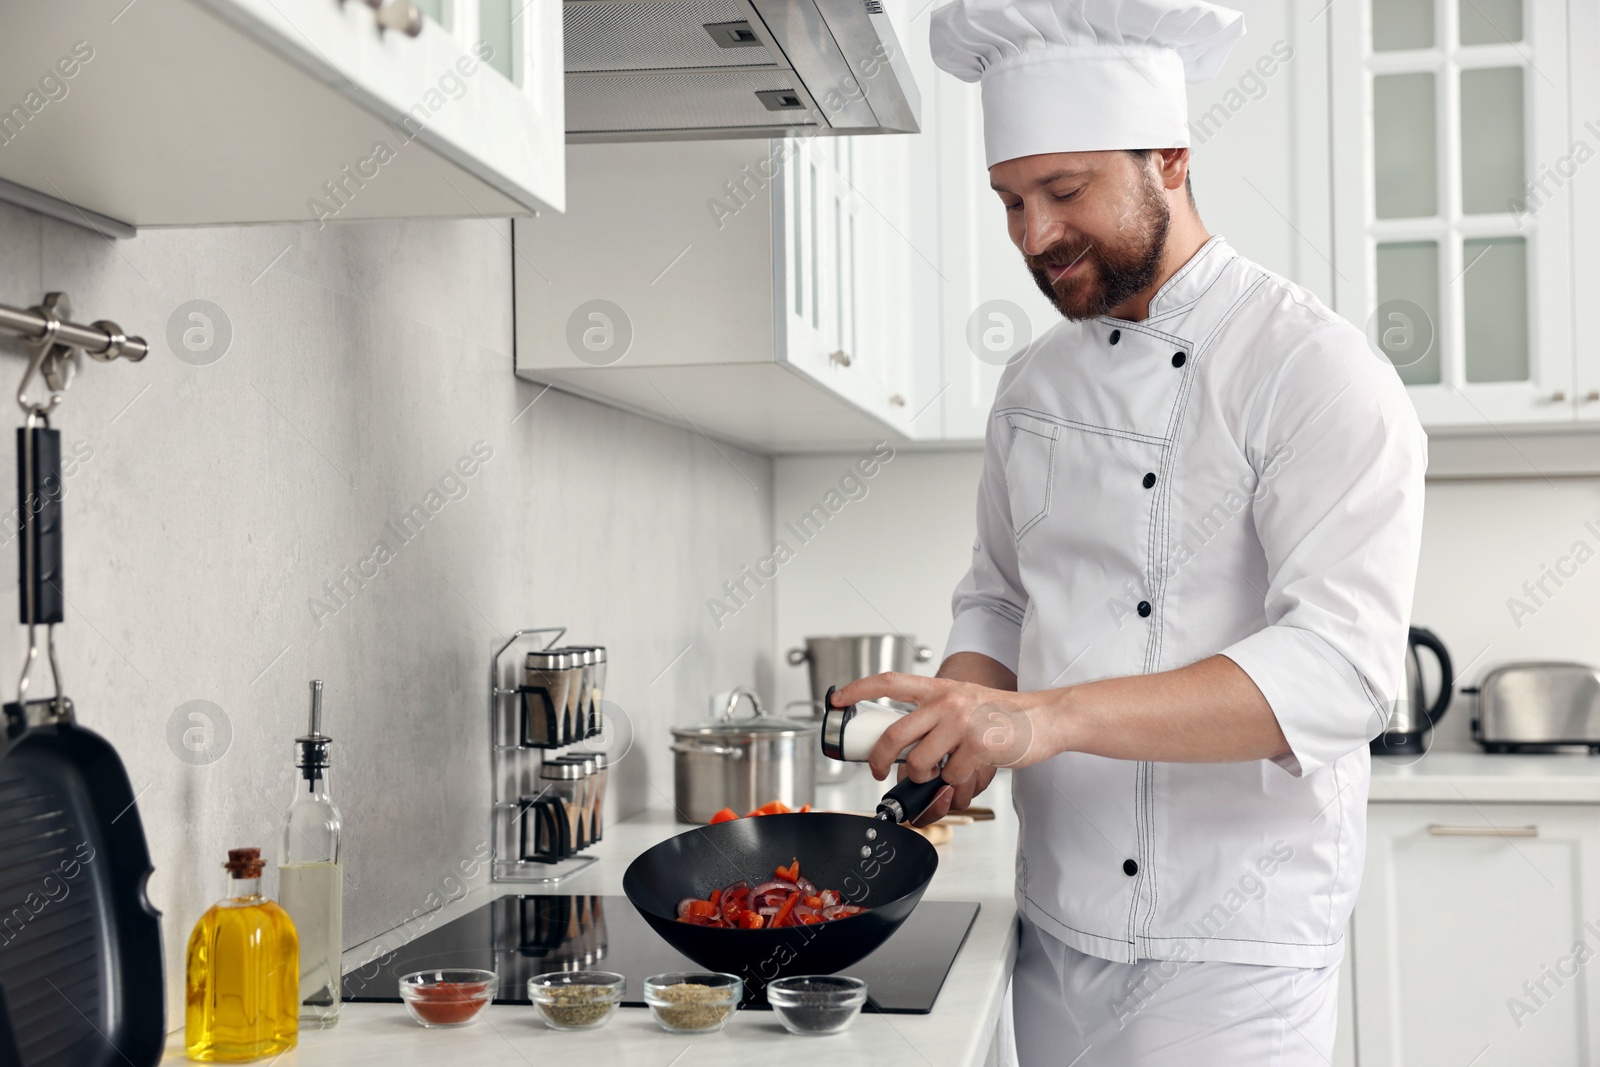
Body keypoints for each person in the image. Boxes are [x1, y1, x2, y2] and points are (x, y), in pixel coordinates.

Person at [827, 0, 1427, 1062]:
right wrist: (962, 723)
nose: (1034, 236)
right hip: (1055, 912)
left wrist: (1040, 719)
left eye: (1065, 192)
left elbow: (1340, 673)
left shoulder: (1312, 371)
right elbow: (1001, 594)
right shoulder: (1031, 384)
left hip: (1233, 943)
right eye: (1010, 200)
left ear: (1171, 159)